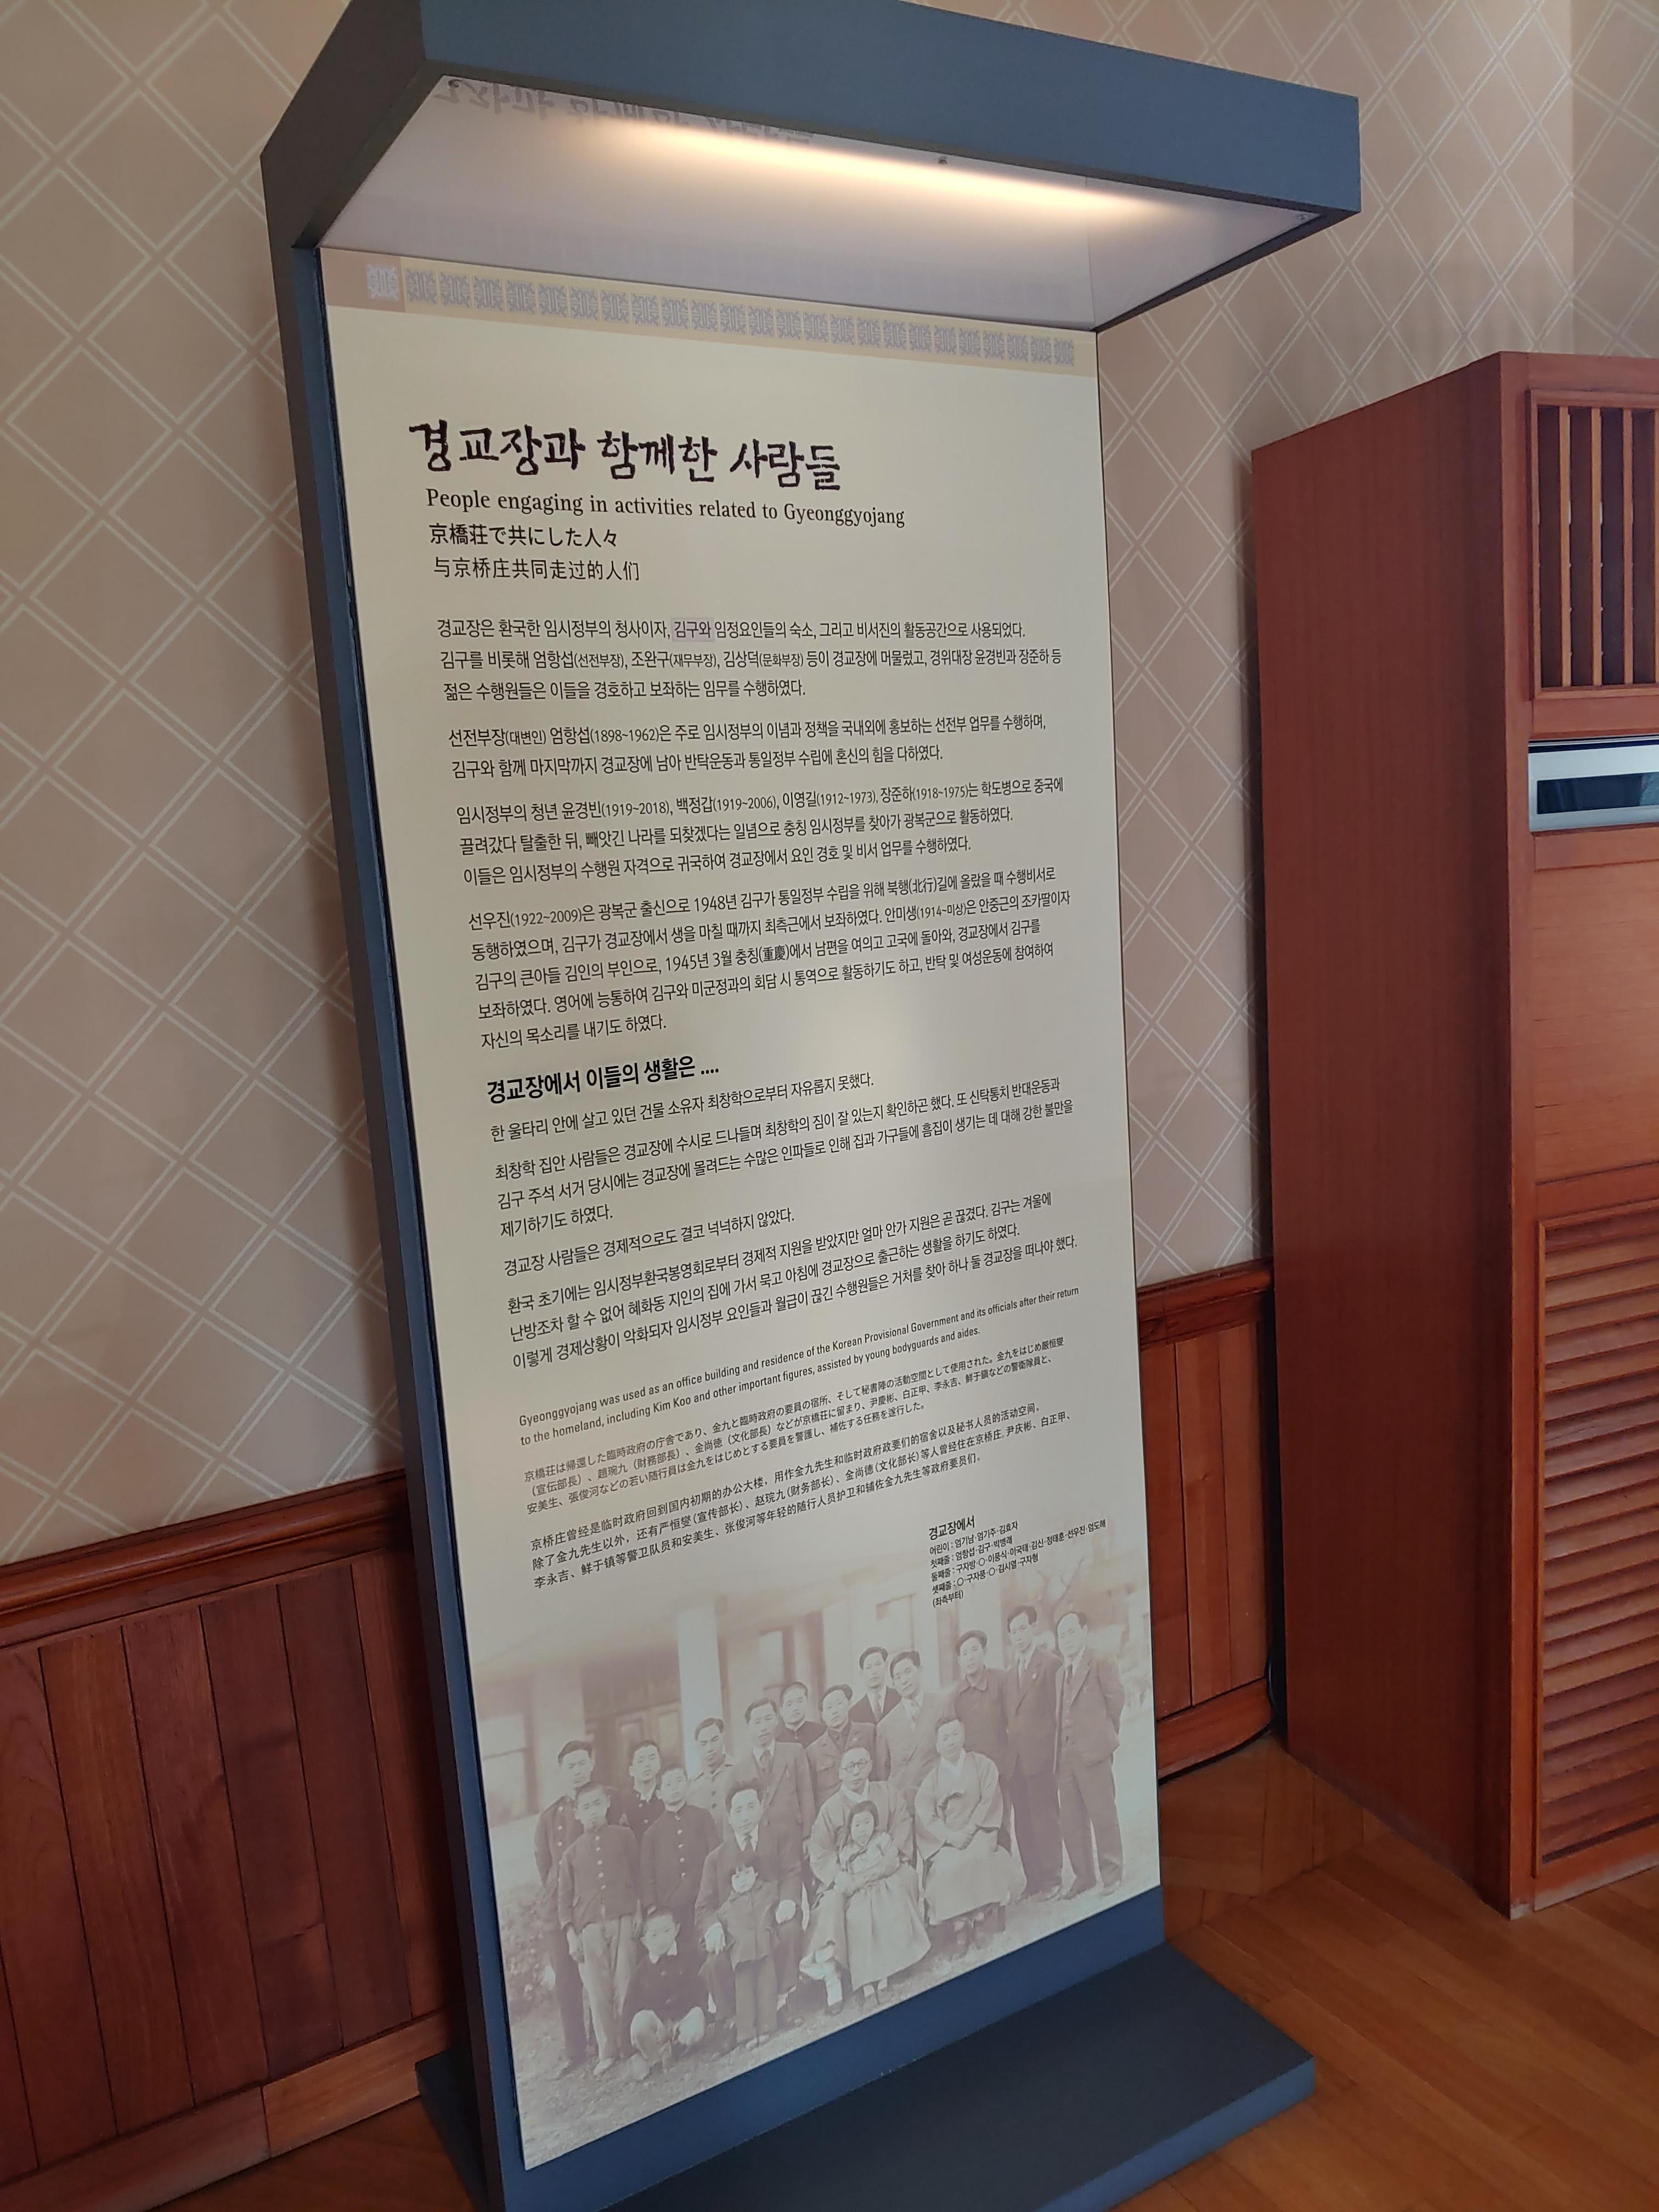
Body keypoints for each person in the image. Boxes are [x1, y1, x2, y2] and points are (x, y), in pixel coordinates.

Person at [799, 1742, 911, 2010]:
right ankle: (837, 1976)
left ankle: (898, 1960)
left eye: (862, 1764)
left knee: (905, 1881)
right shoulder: (830, 1808)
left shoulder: (887, 1792)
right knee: (834, 1905)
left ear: (871, 1766)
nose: (856, 1771)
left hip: (886, 1865)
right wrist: (840, 1877)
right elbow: (820, 1851)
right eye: (849, 1767)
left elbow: (901, 1824)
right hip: (848, 1875)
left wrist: (888, 1861)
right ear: (840, 1773)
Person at [695, 1786, 799, 2050]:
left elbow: (792, 1873)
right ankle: (731, 2020)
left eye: (751, 1807)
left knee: (789, 1930)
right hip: (736, 1930)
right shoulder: (715, 1859)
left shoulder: (778, 1838)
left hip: (770, 1918)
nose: (745, 1816)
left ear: (762, 1807)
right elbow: (704, 1905)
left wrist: (788, 1900)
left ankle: (781, 2003)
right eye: (738, 1810)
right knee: (715, 1960)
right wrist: (714, 1927)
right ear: (729, 1817)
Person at [532, 1738, 609, 2076]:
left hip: (592, 1902)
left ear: (592, 1765)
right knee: (566, 1979)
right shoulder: (550, 1817)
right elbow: (545, 1865)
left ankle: (601, 2040)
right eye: (571, 1766)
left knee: (599, 1972)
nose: (578, 1771)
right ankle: (575, 2050)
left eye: (582, 1764)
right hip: (558, 1908)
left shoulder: (603, 1802)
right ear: (562, 1771)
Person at [914, 1716, 1022, 1954]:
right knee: (945, 1869)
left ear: (963, 1735)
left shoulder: (983, 1765)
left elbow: (989, 1800)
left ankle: (981, 1918)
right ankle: (960, 1925)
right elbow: (925, 1815)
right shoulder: (932, 1780)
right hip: (948, 1841)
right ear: (937, 1744)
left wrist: (971, 1829)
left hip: (980, 1832)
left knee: (980, 1857)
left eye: (955, 1734)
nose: (951, 1741)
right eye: (945, 1737)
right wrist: (951, 1837)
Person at [555, 1781, 641, 2077]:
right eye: (586, 1807)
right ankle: (608, 2052)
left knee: (625, 1983)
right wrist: (571, 1935)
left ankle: (629, 2044)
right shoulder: (571, 1854)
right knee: (598, 1991)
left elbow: (638, 1875)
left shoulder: (624, 1836)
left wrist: (639, 1911)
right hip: (588, 1928)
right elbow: (564, 1900)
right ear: (577, 1814)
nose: (592, 1811)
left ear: (607, 1805)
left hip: (623, 1917)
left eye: (597, 1804)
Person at [1053, 1607, 1124, 1899]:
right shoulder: (1061, 1673)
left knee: (1102, 1813)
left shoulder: (1101, 1661)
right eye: (1061, 1635)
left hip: (1094, 1752)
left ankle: (1112, 1874)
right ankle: (1084, 1876)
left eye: (1071, 1632)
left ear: (1084, 1631)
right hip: (1065, 1757)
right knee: (1071, 1821)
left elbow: (1115, 1702)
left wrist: (1102, 1738)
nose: (1066, 1639)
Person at [840, 1799, 929, 2006]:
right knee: (857, 1921)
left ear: (875, 1823)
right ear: (850, 1828)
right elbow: (844, 1880)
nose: (862, 1830)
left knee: (886, 1916)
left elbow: (892, 1862)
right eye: (857, 1825)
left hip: (883, 1888)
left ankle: (884, 1979)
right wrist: (855, 1883)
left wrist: (877, 1872)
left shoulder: (882, 1840)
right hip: (861, 1895)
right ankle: (866, 1984)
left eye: (867, 1823)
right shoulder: (846, 1853)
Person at [1004, 1604, 1063, 1900]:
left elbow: (1058, 1713)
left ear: (1034, 1628)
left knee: (1045, 1818)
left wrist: (1054, 1756)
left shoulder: (1049, 1664)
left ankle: (1053, 1877)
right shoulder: (1010, 1673)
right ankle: (1034, 1880)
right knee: (1023, 1822)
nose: (1018, 1635)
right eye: (1013, 1631)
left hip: (1040, 1758)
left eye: (1022, 1628)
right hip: (1016, 1762)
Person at [622, 1906, 708, 2083]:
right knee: (639, 2023)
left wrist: (704, 2014)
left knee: (697, 2018)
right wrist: (629, 2054)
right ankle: (654, 2060)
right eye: (654, 1935)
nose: (661, 1939)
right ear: (645, 1941)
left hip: (682, 2020)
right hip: (658, 2025)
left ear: (677, 1930)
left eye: (667, 1931)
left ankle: (677, 2049)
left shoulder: (688, 1956)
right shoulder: (641, 1971)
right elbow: (628, 2009)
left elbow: (700, 1989)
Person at [639, 1762, 719, 1950]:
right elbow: (647, 1877)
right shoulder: (652, 1834)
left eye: (679, 1781)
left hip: (704, 1900)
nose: (674, 1788)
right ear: (659, 1794)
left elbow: (717, 1858)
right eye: (668, 1784)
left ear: (688, 1784)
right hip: (671, 1908)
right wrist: (653, 1909)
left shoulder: (703, 1818)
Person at [876, 1651, 950, 1827]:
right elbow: (883, 1772)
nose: (904, 1680)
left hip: (939, 1799)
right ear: (893, 1683)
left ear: (920, 1670)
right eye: (898, 1677)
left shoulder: (942, 1705)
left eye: (908, 1672)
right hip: (905, 1806)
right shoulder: (885, 1725)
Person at [806, 1683, 877, 1808]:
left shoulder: (869, 1733)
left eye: (839, 1704)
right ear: (823, 1716)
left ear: (849, 1704)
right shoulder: (813, 1752)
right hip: (835, 1813)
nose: (835, 1711)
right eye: (829, 1707)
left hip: (868, 1808)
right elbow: (812, 1795)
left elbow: (880, 1775)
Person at [953, 1629, 1012, 1781]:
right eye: (965, 1654)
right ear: (959, 1660)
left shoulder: (1002, 1680)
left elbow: (1014, 1723)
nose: (970, 1657)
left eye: (975, 1650)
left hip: (1004, 1767)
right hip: (973, 1772)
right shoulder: (956, 1695)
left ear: (984, 1651)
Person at [686, 1715, 737, 1823]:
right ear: (697, 1747)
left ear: (723, 1738)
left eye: (714, 1740)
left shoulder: (739, 1770)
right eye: (703, 1744)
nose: (709, 1749)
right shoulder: (691, 1785)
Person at [614, 1739, 664, 1841]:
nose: (647, 1765)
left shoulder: (666, 1796)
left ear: (659, 1764)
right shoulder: (620, 1802)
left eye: (652, 1758)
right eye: (641, 1761)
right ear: (631, 1771)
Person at [848, 1644, 895, 1731]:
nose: (874, 1672)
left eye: (878, 1664)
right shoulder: (854, 1713)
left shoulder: (900, 1699)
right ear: (862, 1673)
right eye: (869, 1667)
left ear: (886, 1666)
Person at [777, 1680, 823, 1747]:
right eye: (789, 1704)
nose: (795, 1708)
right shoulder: (778, 1742)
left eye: (800, 1701)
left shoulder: (822, 1733)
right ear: (781, 1711)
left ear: (807, 1702)